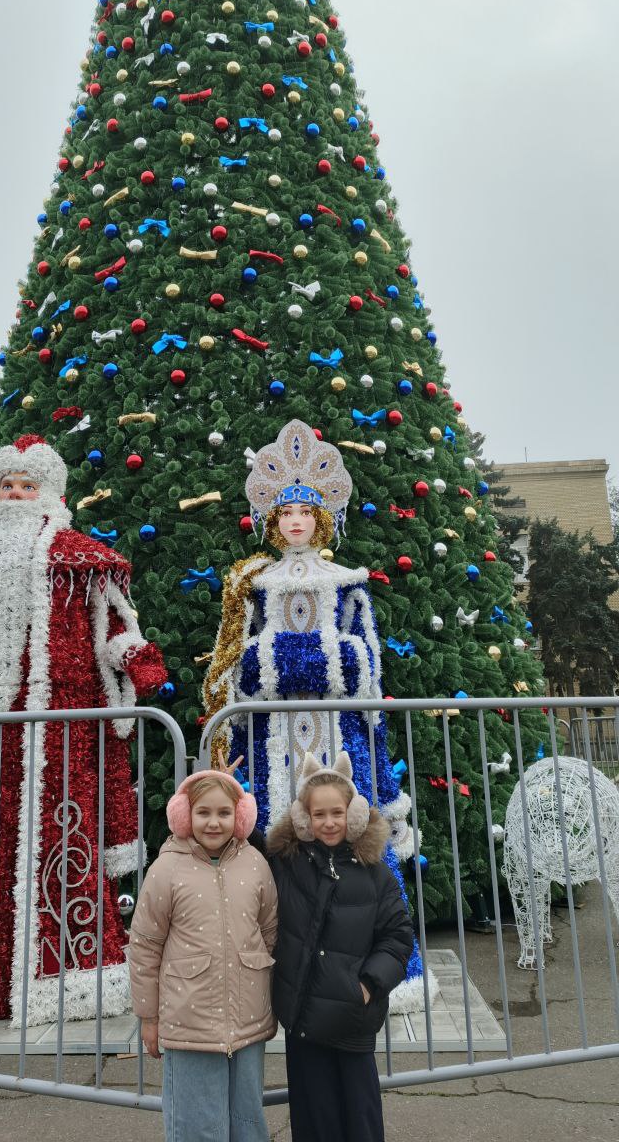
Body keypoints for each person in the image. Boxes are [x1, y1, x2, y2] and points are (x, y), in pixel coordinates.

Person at [0, 434, 167, 1028]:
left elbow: (114, 627)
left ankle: (57, 979)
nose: (15, 495)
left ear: (51, 495)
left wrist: (135, 656)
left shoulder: (81, 562)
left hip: (51, 745)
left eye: (27, 487)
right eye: (7, 486)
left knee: (51, 845)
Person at [202, 418, 430, 1012]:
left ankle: (371, 964)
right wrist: (313, 661)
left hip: (341, 735)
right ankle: (277, 968)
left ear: (321, 519)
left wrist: (289, 661)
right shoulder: (254, 586)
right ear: (272, 523)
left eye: (304, 512)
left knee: (351, 835)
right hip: (270, 739)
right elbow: (243, 668)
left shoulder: (348, 584)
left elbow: (364, 665)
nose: (295, 522)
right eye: (284, 514)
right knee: (274, 841)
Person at [267, 750, 414, 1142]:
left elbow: (398, 936)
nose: (328, 822)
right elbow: (238, 837)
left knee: (359, 1119)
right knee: (315, 1120)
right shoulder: (286, 861)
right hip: (304, 1021)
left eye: (337, 813)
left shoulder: (375, 873)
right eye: (319, 814)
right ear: (303, 818)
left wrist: (367, 984)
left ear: (353, 814)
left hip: (352, 1019)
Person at [128, 768, 278, 1142]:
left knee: (247, 1123)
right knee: (197, 1127)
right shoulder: (166, 870)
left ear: (240, 817)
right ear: (184, 816)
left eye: (224, 813)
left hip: (247, 1022)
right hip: (188, 1022)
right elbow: (145, 946)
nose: (214, 822)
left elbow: (269, 930)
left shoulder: (256, 864)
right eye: (204, 813)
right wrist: (149, 1016)